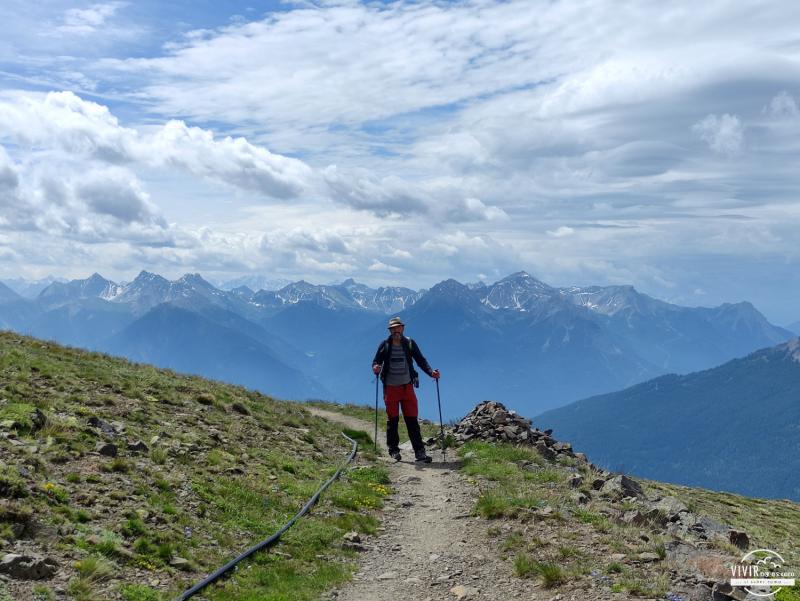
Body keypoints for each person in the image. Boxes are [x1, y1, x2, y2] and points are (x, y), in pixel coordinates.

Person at [372, 316, 440, 463]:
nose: (396, 330)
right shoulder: (384, 345)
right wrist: (375, 367)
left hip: (407, 387)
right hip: (390, 388)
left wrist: (431, 373)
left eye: (398, 327)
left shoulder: (409, 343)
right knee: (393, 420)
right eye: (393, 328)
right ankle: (394, 451)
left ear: (403, 328)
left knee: (412, 420)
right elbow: (376, 361)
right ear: (390, 330)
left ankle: (420, 452)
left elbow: (421, 360)